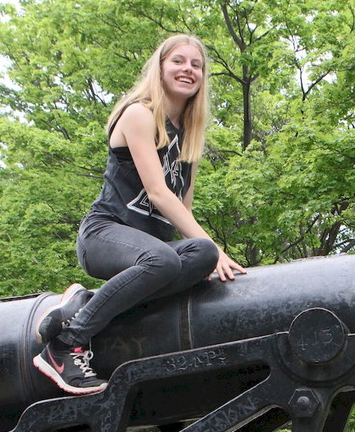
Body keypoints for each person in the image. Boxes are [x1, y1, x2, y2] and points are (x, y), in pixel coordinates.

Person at [33, 34, 247, 395]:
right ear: (160, 67)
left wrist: (210, 257)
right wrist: (216, 248)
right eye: (178, 61)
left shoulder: (190, 137)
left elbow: (183, 210)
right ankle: (66, 343)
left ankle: (86, 302)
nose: (188, 70)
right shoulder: (139, 114)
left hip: (152, 254)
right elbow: (159, 194)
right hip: (104, 234)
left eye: (196, 65)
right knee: (167, 259)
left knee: (201, 256)